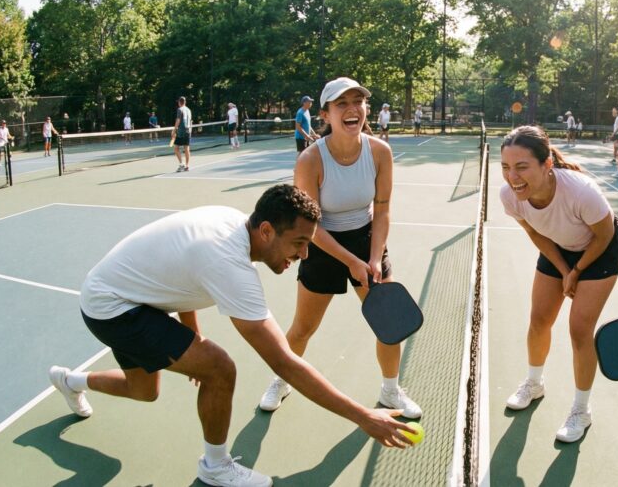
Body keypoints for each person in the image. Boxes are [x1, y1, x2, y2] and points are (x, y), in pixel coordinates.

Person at [46, 185, 416, 487]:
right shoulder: (229, 262)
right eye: (299, 242)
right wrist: (363, 416)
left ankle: (70, 380)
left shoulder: (233, 224)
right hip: (113, 308)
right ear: (267, 230)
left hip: (124, 294)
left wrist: (191, 334)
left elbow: (180, 276)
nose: (305, 254)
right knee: (219, 368)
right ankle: (216, 465)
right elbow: (284, 362)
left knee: (145, 391)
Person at [259, 77, 422, 420]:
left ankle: (391, 391)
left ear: (366, 109)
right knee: (303, 328)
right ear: (326, 114)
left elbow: (382, 207)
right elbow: (310, 225)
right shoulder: (310, 160)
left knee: (388, 322)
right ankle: (282, 378)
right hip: (321, 244)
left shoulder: (380, 152)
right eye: (341, 104)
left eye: (357, 102)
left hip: (367, 240)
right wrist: (350, 261)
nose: (352, 109)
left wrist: (374, 257)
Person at [499, 125, 618, 443]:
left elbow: (605, 234)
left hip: (600, 248)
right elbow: (535, 232)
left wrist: (577, 270)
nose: (513, 177)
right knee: (539, 319)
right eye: (506, 167)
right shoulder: (510, 196)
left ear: (547, 164)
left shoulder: (581, 191)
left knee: (580, 329)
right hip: (558, 248)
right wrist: (562, 268)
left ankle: (582, 410)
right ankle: (534, 383)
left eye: (522, 167)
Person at [172, 97, 192, 172]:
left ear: (179, 102)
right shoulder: (189, 110)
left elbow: (178, 120)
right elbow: (190, 121)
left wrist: (174, 130)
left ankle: (181, 164)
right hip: (188, 131)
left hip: (181, 132)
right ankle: (187, 166)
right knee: (186, 149)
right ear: (185, 102)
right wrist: (190, 131)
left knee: (176, 148)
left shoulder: (179, 109)